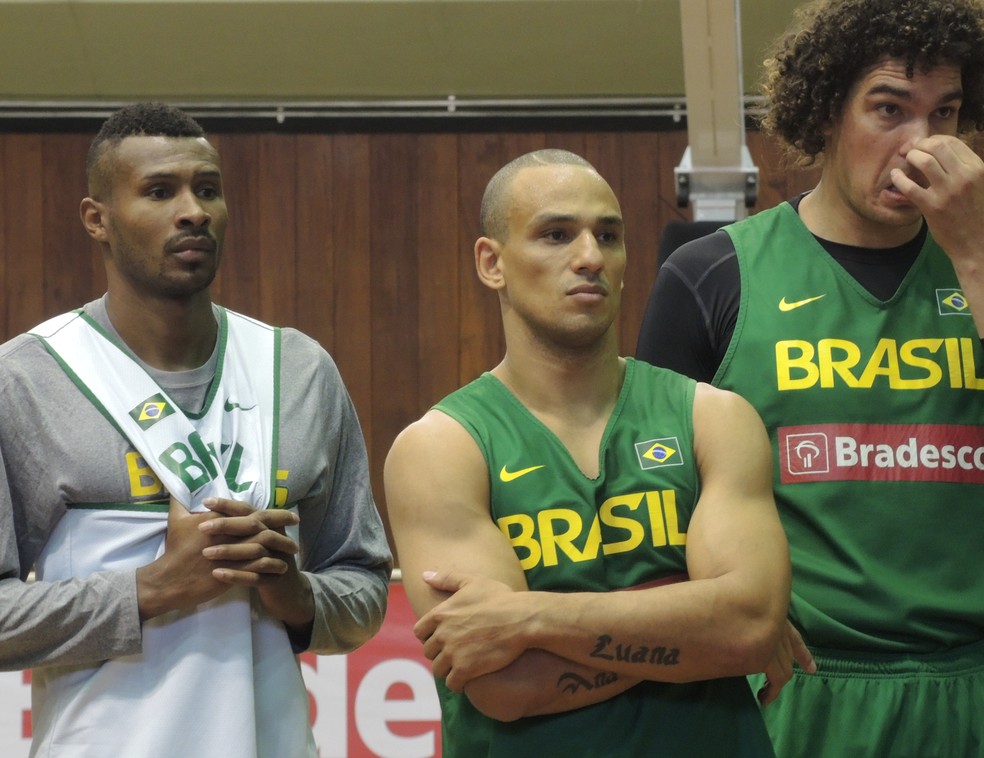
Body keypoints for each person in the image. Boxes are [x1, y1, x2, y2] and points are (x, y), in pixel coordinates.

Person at [635, 1, 984, 755]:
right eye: (890, 109)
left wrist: (976, 255)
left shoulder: (978, 260)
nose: (921, 146)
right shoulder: (711, 276)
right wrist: (722, 620)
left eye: (945, 114)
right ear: (826, 113)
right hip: (797, 686)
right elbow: (646, 496)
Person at [385, 149, 812, 758]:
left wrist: (533, 619)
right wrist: (698, 627)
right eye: (556, 235)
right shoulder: (440, 448)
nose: (589, 257)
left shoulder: (713, 417)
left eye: (607, 236)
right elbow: (507, 685)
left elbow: (745, 628)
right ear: (492, 263)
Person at [0, 102, 392, 757]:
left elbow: (366, 589)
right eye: (160, 191)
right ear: (97, 219)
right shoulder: (26, 378)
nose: (194, 212)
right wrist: (153, 589)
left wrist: (293, 594)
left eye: (207, 190)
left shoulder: (297, 368)